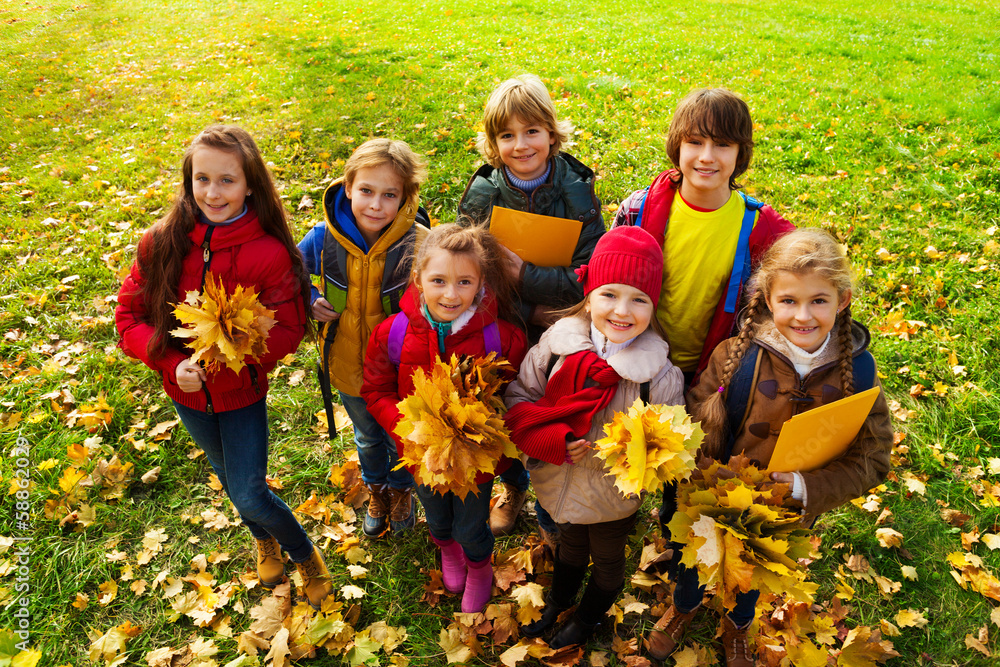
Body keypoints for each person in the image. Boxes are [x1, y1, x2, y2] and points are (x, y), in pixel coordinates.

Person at [645, 228, 893, 666]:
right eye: (789, 301)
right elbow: (693, 421)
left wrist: (802, 487)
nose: (803, 315)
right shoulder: (735, 355)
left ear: (843, 300)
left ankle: (738, 624)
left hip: (781, 515)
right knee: (693, 562)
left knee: (751, 577)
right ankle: (684, 606)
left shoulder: (860, 371)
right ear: (768, 299)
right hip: (713, 499)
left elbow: (872, 459)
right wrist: (708, 476)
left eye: (819, 300)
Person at [115, 125, 331, 609]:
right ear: (188, 180)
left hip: (242, 394)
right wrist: (173, 364)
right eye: (202, 179)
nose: (214, 192)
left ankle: (304, 553)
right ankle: (265, 540)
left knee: (250, 491)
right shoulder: (161, 242)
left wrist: (236, 349)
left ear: (250, 184)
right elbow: (128, 317)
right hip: (186, 394)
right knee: (231, 482)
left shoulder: (268, 253)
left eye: (228, 181)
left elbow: (290, 327)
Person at [612, 87, 796, 541]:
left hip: (710, 373)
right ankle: (613, 519)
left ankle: (676, 529)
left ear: (741, 154)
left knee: (688, 464)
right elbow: (605, 279)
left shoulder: (760, 226)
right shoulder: (639, 209)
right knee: (625, 450)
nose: (706, 156)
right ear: (677, 145)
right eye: (695, 142)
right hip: (635, 356)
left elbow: (809, 275)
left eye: (723, 145)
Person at [504, 226, 685, 648]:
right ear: (589, 294)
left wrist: (637, 452)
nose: (622, 310)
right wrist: (552, 439)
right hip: (559, 479)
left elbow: (671, 443)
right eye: (610, 294)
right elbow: (519, 398)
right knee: (569, 546)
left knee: (605, 561)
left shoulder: (656, 375)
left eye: (638, 299)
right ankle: (560, 600)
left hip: (612, 496)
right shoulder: (556, 347)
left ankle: (586, 618)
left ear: (653, 305)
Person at [459, 73, 605, 540]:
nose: (521, 145)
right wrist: (520, 305)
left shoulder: (576, 189)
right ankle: (514, 482)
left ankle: (552, 498)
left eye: (531, 132)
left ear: (550, 132)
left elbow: (590, 272)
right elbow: (468, 275)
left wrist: (529, 279)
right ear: (493, 141)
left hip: (563, 323)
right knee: (500, 406)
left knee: (550, 411)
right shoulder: (483, 193)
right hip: (504, 323)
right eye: (507, 135)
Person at [361, 224, 528, 613]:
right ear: (418, 278)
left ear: (481, 282)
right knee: (437, 516)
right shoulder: (395, 333)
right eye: (438, 280)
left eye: (464, 282)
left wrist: (489, 429)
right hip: (421, 454)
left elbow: (519, 396)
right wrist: (408, 428)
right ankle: (447, 551)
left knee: (471, 524)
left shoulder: (501, 339)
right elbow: (375, 389)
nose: (451, 294)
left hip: (476, 462)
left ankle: (478, 564)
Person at [297, 138, 429, 539]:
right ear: (348, 186)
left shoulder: (420, 242)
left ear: (406, 197)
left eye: (390, 195)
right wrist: (311, 296)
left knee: (400, 433)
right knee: (368, 435)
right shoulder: (325, 236)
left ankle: (402, 489)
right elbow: (289, 272)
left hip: (400, 367)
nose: (376, 205)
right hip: (347, 358)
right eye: (366, 191)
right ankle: (377, 489)